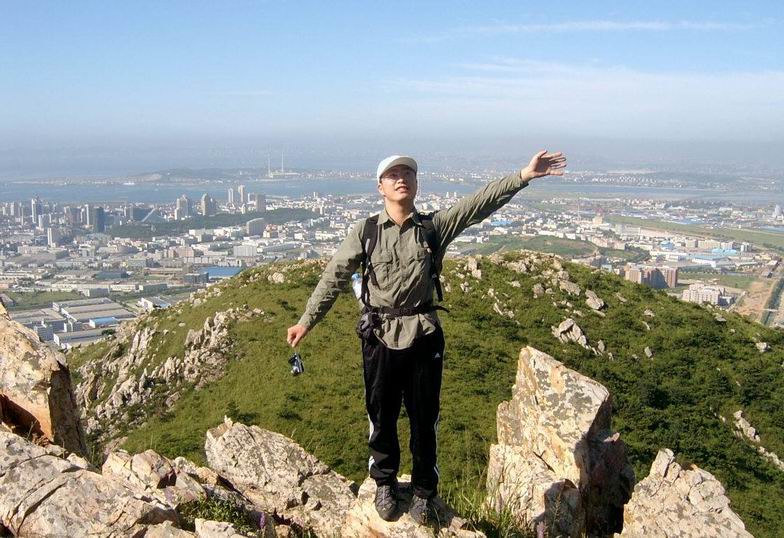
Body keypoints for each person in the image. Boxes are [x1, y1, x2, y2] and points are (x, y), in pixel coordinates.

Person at [286, 150, 566, 523]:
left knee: (424, 419)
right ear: (380, 187)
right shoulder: (366, 232)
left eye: (408, 173)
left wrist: (523, 176)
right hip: (379, 335)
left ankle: (423, 492)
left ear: (416, 184)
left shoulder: (433, 227)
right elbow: (334, 276)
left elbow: (477, 205)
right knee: (381, 415)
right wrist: (306, 321)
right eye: (393, 174)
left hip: (424, 335)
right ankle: (384, 482)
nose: (401, 178)